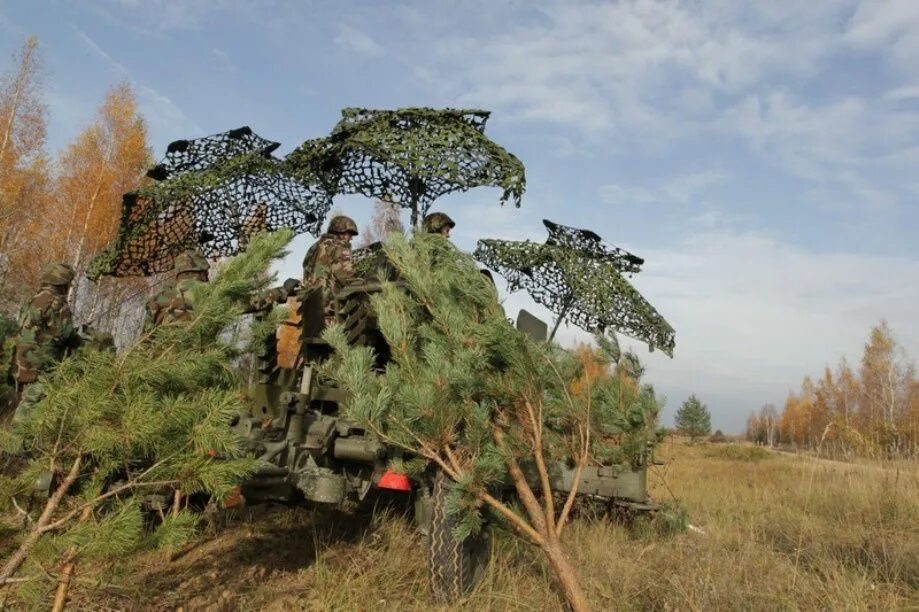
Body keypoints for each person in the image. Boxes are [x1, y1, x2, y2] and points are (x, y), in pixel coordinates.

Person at [144, 249, 299, 332]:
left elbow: (143, 345)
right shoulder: (212, 294)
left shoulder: (156, 301)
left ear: (179, 272)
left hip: (159, 376)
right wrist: (283, 291)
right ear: (202, 271)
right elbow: (253, 301)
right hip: (200, 375)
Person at [11, 262, 78, 392]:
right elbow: (64, 334)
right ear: (63, 283)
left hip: (21, 365)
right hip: (41, 367)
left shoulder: (33, 299)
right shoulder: (56, 302)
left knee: (23, 401)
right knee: (31, 408)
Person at [302, 215, 359, 326]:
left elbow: (309, 269)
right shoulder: (339, 247)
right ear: (340, 232)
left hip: (311, 305)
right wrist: (362, 281)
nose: (351, 238)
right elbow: (346, 276)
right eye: (350, 234)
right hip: (331, 308)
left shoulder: (315, 247)